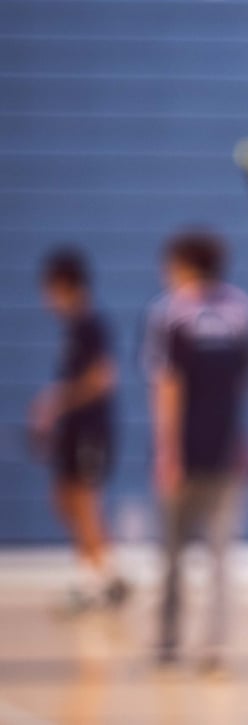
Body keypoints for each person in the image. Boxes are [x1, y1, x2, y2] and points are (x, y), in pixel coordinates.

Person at [142, 228, 248, 675]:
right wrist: (245, 441)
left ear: (184, 265)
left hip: (188, 454)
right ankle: (214, 649)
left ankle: (168, 643)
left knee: (172, 554)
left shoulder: (170, 313)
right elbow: (245, 386)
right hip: (229, 450)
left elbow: (166, 387)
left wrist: (166, 453)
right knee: (219, 556)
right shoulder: (243, 311)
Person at [31, 248, 129, 614]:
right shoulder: (72, 329)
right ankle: (109, 575)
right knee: (66, 500)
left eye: (49, 289)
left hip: (92, 430)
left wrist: (57, 401)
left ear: (65, 286)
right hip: (73, 431)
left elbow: (103, 377)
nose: (46, 298)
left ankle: (94, 584)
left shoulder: (91, 325)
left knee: (86, 503)